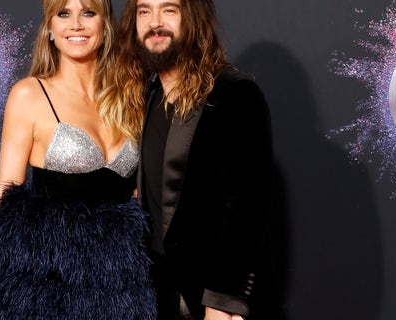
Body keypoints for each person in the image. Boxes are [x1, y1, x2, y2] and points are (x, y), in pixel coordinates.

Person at [0, 0, 156, 319]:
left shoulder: (132, 94)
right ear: (50, 28)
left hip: (122, 287)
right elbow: (5, 201)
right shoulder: (29, 95)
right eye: (63, 14)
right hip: (51, 288)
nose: (76, 25)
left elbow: (142, 194)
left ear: (105, 25)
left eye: (88, 13)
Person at [109, 0, 273, 319]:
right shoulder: (146, 96)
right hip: (155, 297)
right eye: (144, 11)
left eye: (169, 9)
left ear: (192, 19)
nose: (155, 22)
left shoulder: (234, 94)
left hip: (210, 301)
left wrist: (221, 303)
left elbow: (248, 210)